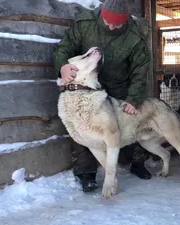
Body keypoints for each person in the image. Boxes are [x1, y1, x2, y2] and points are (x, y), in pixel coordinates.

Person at [53, 0, 153, 192]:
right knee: (82, 128)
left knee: (129, 123)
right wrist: (62, 66)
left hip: (118, 88)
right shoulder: (85, 24)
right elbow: (64, 48)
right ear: (102, 13)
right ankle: (86, 173)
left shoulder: (134, 37)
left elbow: (140, 71)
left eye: (117, 24)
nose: (111, 26)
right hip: (85, 84)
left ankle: (137, 162)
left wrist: (133, 99)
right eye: (108, 21)